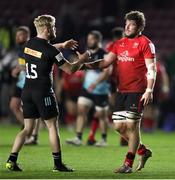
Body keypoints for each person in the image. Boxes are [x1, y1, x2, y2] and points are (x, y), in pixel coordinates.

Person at [6, 14, 90, 172]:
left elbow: (44, 50)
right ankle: (58, 164)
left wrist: (63, 44)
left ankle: (11, 159)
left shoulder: (29, 43)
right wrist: (82, 60)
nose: (55, 29)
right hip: (43, 93)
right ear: (46, 29)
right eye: (53, 26)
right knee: (52, 127)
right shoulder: (51, 51)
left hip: (27, 92)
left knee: (27, 129)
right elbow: (70, 69)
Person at [83, 11, 156, 173]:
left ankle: (127, 164)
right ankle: (143, 151)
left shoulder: (145, 43)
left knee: (131, 125)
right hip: (121, 90)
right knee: (118, 127)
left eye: (132, 25)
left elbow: (152, 69)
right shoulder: (119, 43)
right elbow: (105, 62)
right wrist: (84, 65)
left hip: (138, 90)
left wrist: (149, 90)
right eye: (126, 24)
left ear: (140, 27)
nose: (127, 27)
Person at [66, 31, 111, 147]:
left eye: (91, 39)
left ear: (97, 40)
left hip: (100, 90)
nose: (89, 41)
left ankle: (103, 140)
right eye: (88, 39)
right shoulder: (86, 54)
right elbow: (84, 69)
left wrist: (95, 83)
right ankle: (78, 138)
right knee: (81, 111)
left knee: (101, 115)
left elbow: (107, 72)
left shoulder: (104, 54)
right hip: (87, 89)